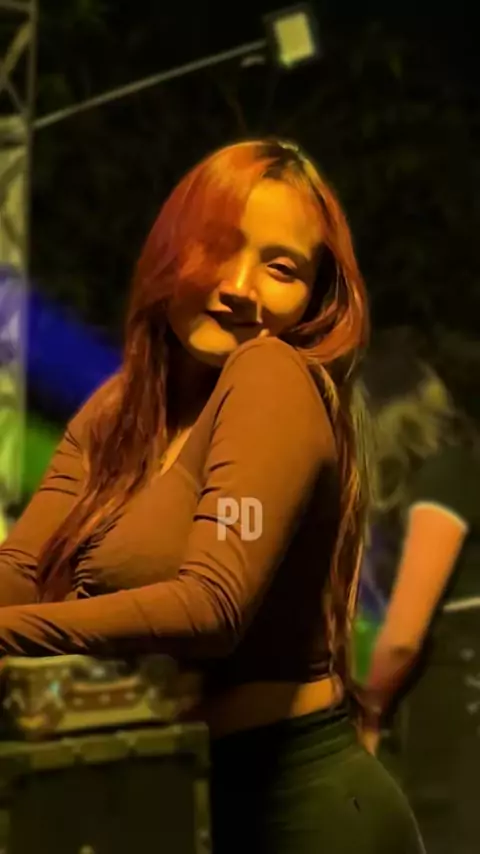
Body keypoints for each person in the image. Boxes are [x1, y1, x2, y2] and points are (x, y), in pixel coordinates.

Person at [0, 140, 423, 853]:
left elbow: (210, 607)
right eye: (218, 246)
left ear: (313, 299)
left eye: (281, 268)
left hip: (299, 809)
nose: (240, 287)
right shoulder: (118, 411)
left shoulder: (270, 373)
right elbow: (23, 569)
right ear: (171, 247)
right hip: (176, 792)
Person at [360, 327, 480, 853]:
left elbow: (403, 637)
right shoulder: (447, 474)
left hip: (461, 729)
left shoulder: (445, 477)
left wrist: (368, 711)